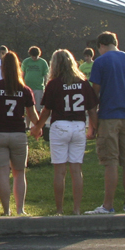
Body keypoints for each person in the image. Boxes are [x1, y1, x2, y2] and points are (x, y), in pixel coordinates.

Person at [32, 49, 97, 215]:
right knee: (76, 170)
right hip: (79, 126)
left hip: (60, 125)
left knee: (60, 172)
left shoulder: (54, 84)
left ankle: (59, 210)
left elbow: (46, 110)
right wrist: (93, 128)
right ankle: (76, 209)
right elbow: (91, 109)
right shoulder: (83, 82)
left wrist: (37, 127)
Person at [86, 31, 125, 215]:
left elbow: (94, 94)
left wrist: (93, 124)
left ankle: (108, 205)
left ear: (101, 45)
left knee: (110, 161)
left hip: (109, 116)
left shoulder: (100, 62)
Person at [0, 52, 38, 216]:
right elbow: (33, 115)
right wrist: (38, 128)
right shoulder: (25, 90)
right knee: (19, 173)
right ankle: (20, 210)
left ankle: (6, 211)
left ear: (2, 68)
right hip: (18, 134)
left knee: (3, 173)